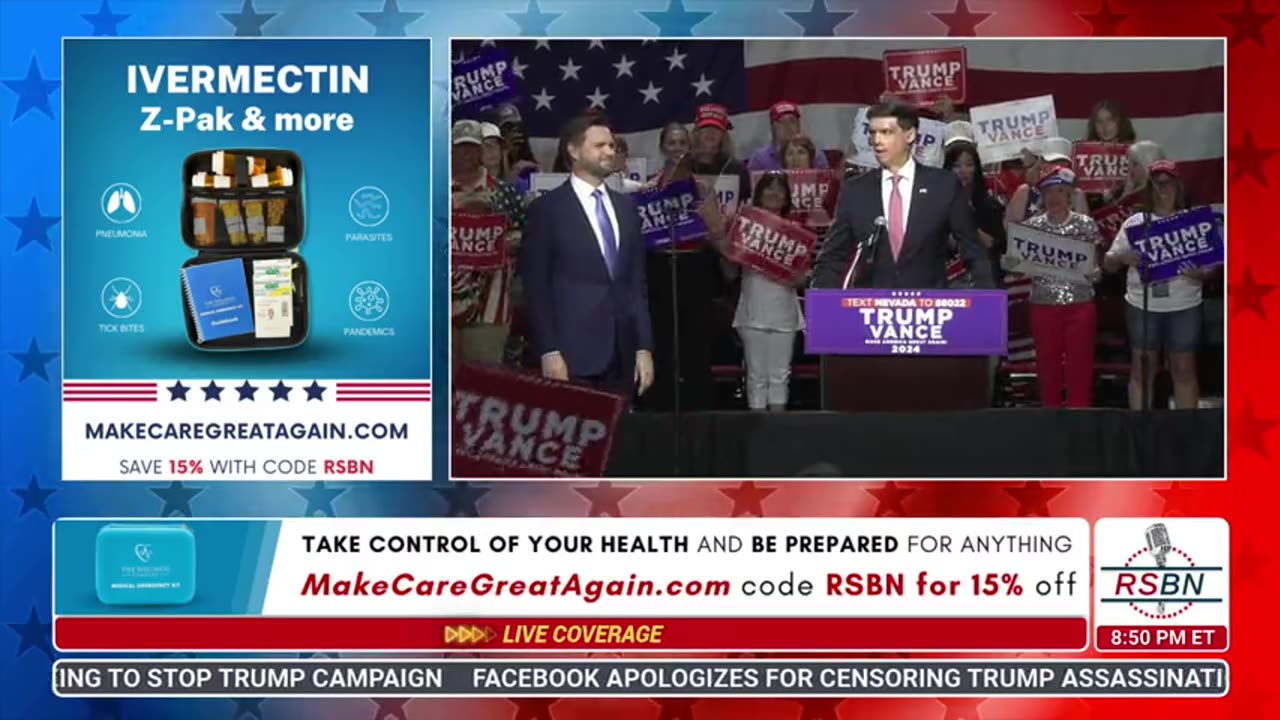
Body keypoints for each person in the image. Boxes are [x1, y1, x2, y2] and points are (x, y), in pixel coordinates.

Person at [520, 114, 655, 399]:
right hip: (571, 356)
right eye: (600, 145)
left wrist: (643, 347)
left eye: (612, 145)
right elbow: (536, 288)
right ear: (573, 150)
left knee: (620, 441)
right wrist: (549, 350)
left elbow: (636, 284)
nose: (609, 151)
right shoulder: (547, 210)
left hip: (622, 353)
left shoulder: (626, 209)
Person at [811, 101, 993, 290]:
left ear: (910, 135)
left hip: (930, 309)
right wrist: (821, 304)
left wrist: (987, 302)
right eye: (873, 133)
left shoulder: (943, 186)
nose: (876, 141)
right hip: (871, 310)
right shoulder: (856, 191)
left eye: (886, 133)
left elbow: (973, 250)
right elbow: (833, 257)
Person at [1103, 159, 1208, 409]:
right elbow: (1108, 262)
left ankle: (1186, 430)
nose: (1163, 190)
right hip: (1143, 305)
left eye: (1168, 184)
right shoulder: (1137, 222)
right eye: (1157, 185)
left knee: (1184, 367)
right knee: (1142, 366)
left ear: (1178, 187)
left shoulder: (1193, 221)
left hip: (1184, 303)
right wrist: (1121, 258)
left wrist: (1201, 273)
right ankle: (1141, 430)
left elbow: (1213, 267)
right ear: (1149, 190)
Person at [1017, 167, 1103, 408]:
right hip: (1043, 305)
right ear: (1042, 197)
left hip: (1080, 305)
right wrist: (1013, 263)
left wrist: (1095, 273)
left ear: (1069, 195)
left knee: (1080, 365)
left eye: (1060, 191)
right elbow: (1020, 267)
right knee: (1047, 365)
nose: (1054, 197)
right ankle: (1051, 417)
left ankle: (1079, 416)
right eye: (1049, 192)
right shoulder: (1032, 227)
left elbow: (1096, 266)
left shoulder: (1085, 225)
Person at [451, 119, 526, 367]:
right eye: (460, 147)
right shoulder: (429, 191)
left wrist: (505, 243)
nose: (466, 154)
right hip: (437, 303)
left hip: (490, 305)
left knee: (481, 381)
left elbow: (525, 234)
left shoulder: (506, 193)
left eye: (473, 147)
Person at [731, 172, 806, 411]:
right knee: (755, 375)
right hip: (753, 310)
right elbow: (730, 271)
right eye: (769, 188)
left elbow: (803, 278)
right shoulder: (745, 227)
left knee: (780, 375)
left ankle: (777, 429)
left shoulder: (797, 233)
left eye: (779, 189)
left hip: (784, 312)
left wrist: (793, 275)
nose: (774, 193)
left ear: (786, 197)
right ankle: (757, 429)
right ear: (759, 193)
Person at [943, 142, 1006, 285]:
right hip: (948, 281)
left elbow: (995, 243)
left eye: (969, 165)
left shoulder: (990, 205)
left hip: (984, 280)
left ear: (977, 168)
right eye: (957, 166)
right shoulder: (937, 205)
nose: (963, 171)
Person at [748, 101, 830, 171]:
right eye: (781, 122)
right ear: (773, 127)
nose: (788, 126)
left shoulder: (817, 156)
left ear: (799, 125)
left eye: (792, 121)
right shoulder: (759, 159)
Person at [650, 121, 691, 185]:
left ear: (689, 146)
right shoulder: (653, 186)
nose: (678, 148)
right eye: (672, 143)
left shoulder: (700, 183)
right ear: (662, 147)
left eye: (682, 143)